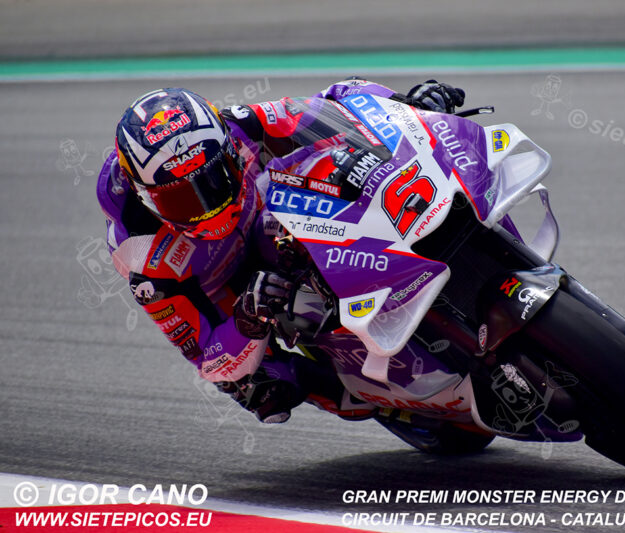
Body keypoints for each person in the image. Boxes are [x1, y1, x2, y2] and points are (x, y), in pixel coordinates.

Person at [97, 79, 466, 423]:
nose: (206, 205)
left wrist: (406, 107)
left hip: (270, 221)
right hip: (229, 294)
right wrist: (246, 321)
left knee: (333, 166)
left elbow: (337, 101)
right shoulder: (142, 255)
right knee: (267, 390)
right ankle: (397, 406)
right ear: (146, 197)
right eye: (181, 199)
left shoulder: (238, 125)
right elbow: (207, 359)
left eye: (214, 178)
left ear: (227, 145)